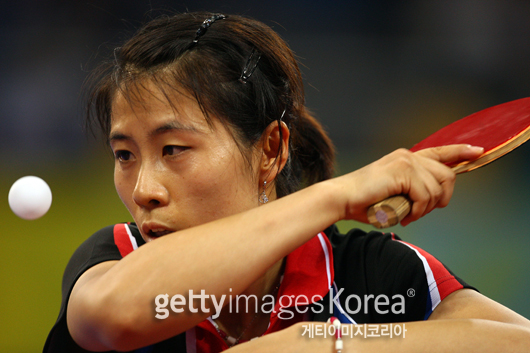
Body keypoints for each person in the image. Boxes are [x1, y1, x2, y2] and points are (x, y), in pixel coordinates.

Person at [44, 11, 530, 353]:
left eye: (173, 149)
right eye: (124, 155)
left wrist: (322, 344)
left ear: (271, 150)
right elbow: (114, 317)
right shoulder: (111, 260)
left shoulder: (375, 277)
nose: (144, 189)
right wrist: (336, 196)